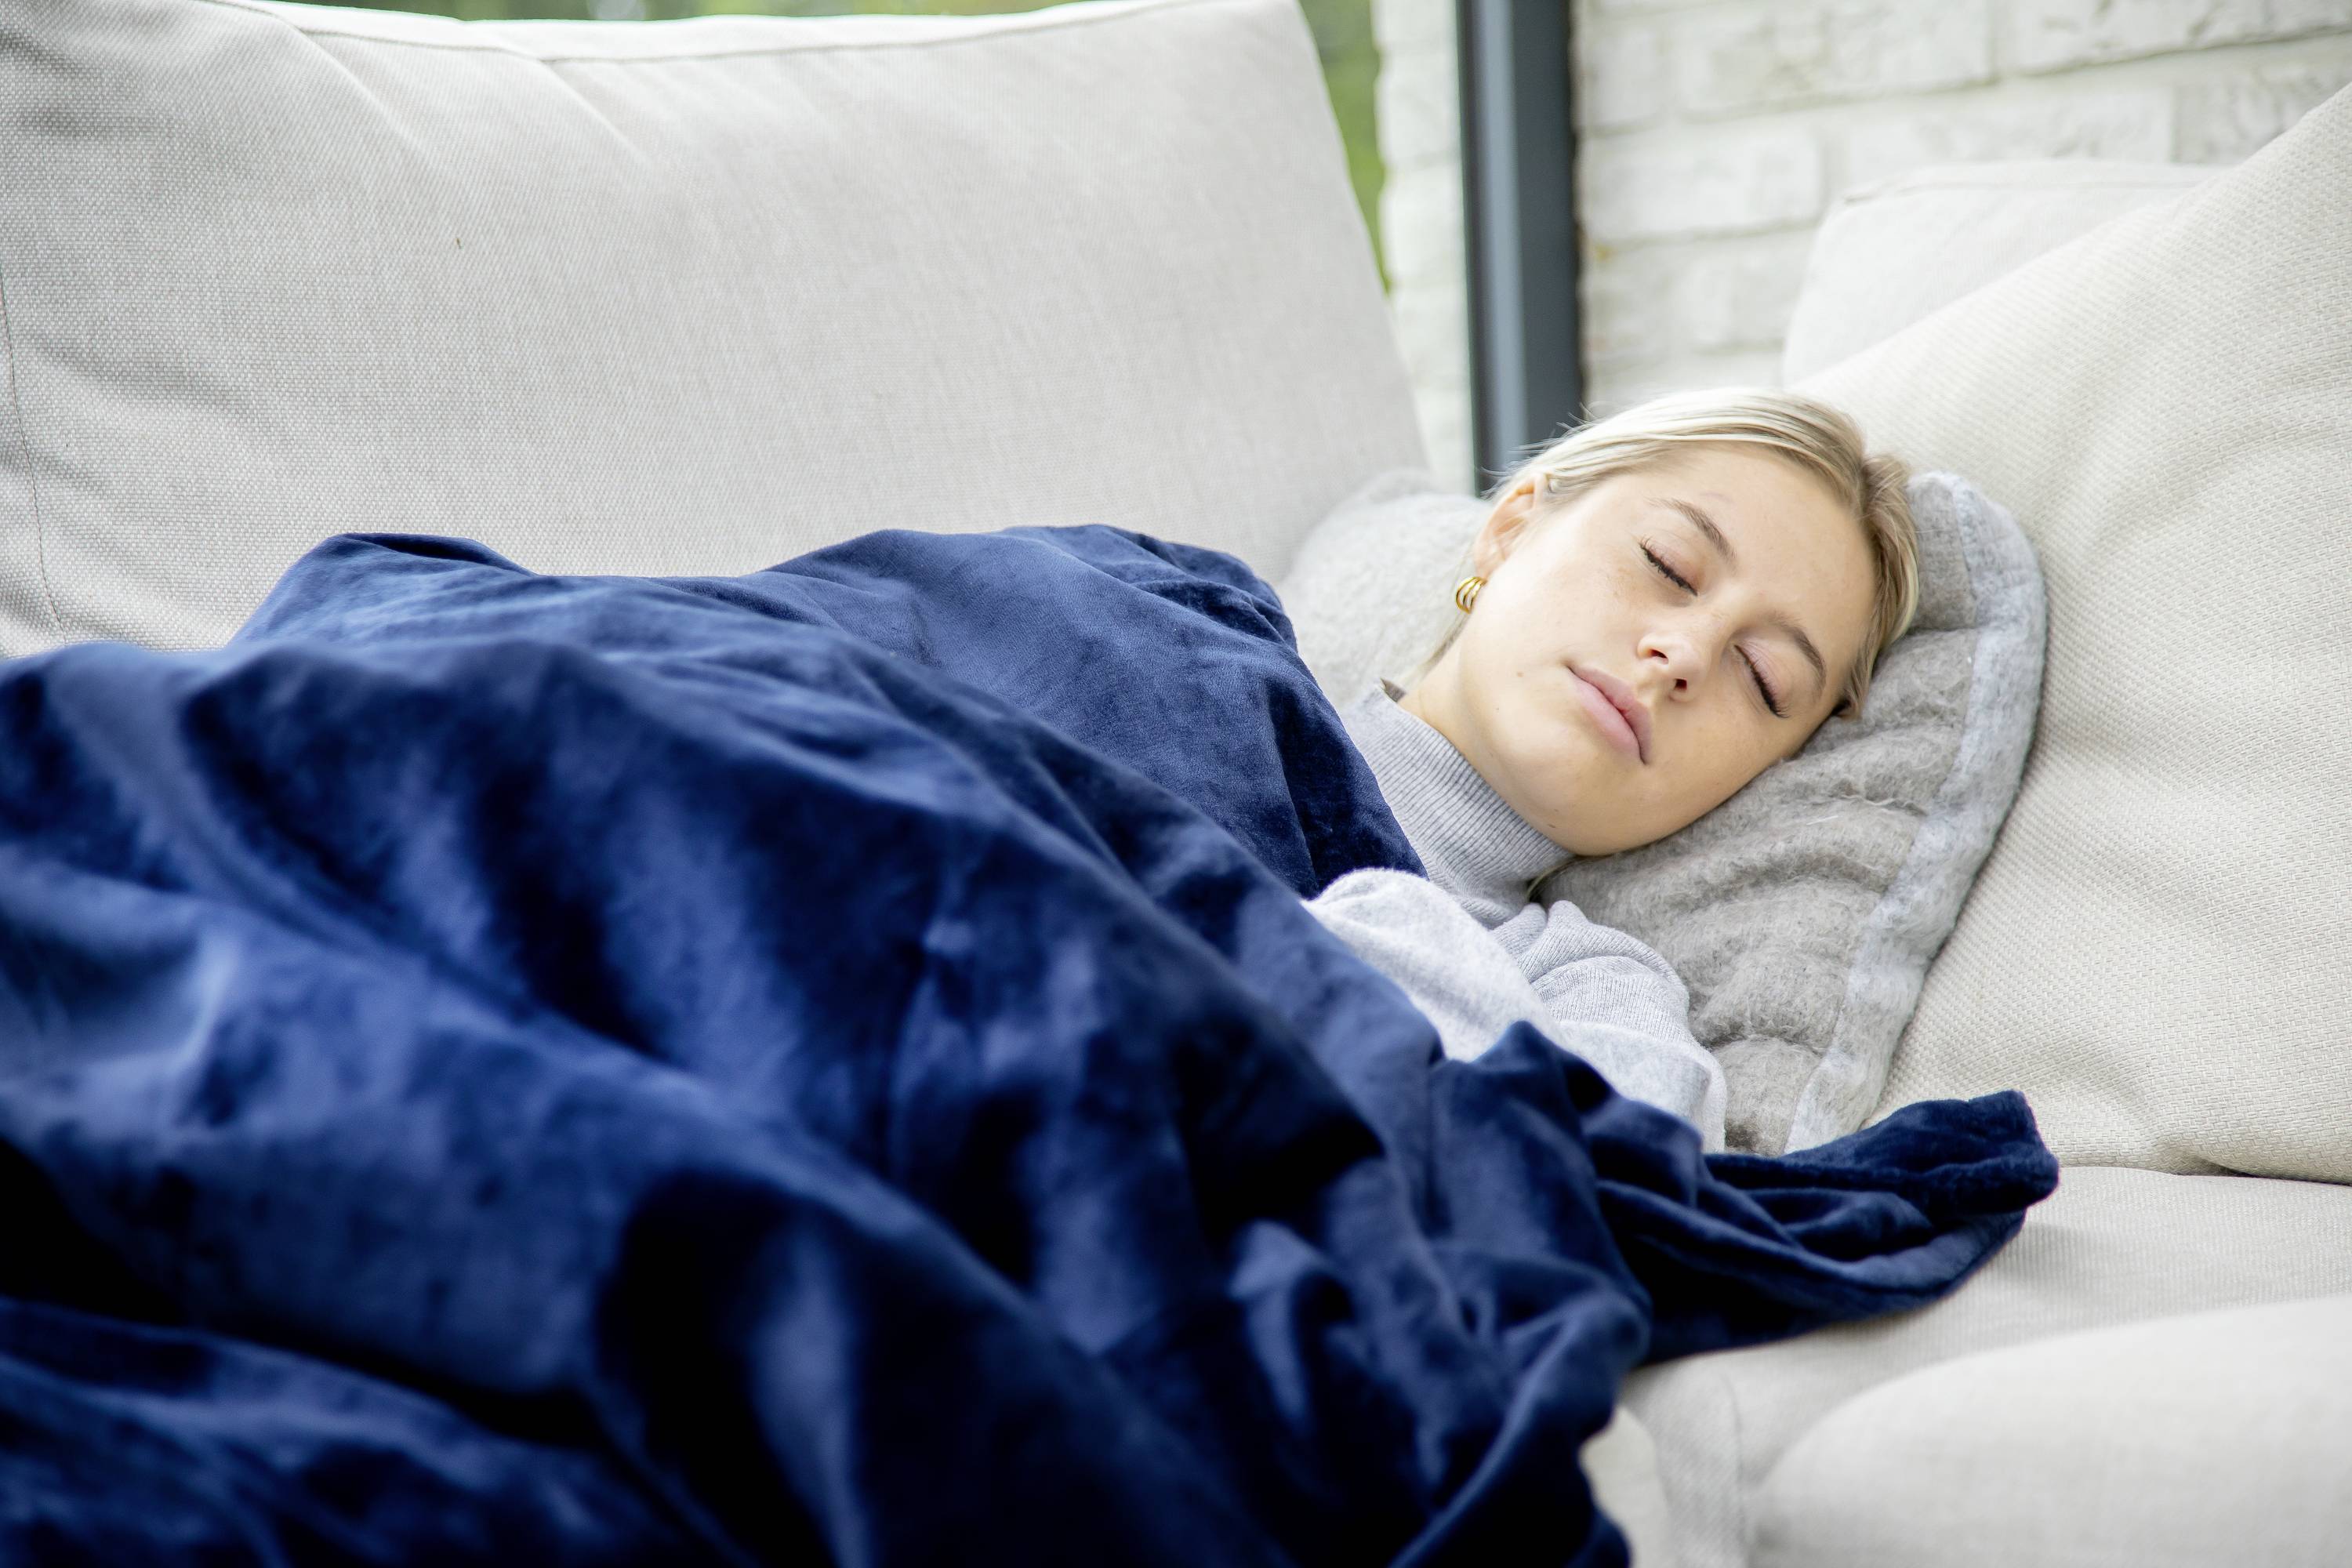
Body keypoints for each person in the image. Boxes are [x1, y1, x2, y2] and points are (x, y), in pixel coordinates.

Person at [1307, 387, 1922, 1152]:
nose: (1687, 652)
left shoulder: (1587, 1007)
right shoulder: (1186, 666)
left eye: (1763, 677)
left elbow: (1622, 1185)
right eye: (1668, 562)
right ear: (1512, 527)